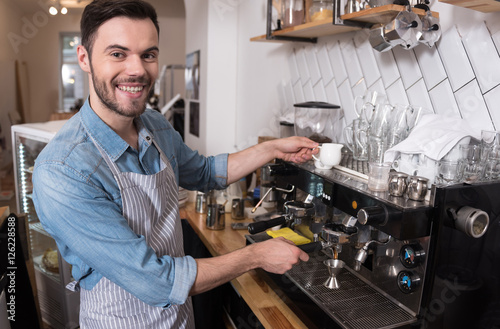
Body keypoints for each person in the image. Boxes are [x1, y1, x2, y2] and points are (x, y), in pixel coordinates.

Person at [32, 0, 319, 328]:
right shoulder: (63, 171)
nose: (137, 70)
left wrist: (272, 148)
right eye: (117, 53)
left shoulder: (154, 125)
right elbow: (156, 281)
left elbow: (206, 172)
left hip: (179, 317)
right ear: (84, 58)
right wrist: (256, 255)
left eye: (148, 54)